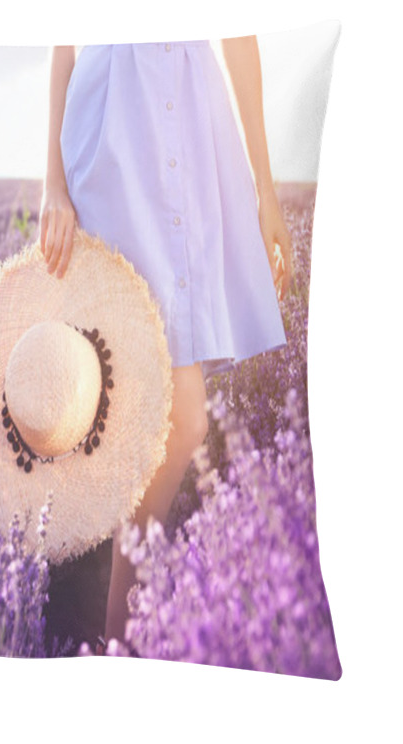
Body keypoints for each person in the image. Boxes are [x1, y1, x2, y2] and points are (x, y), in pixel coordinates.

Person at [39, 37, 293, 650]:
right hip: (114, 134)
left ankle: (111, 635)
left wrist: (266, 191)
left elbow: (238, 35)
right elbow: (63, 35)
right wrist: (52, 180)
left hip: (191, 123)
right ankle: (104, 626)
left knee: (177, 421)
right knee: (165, 413)